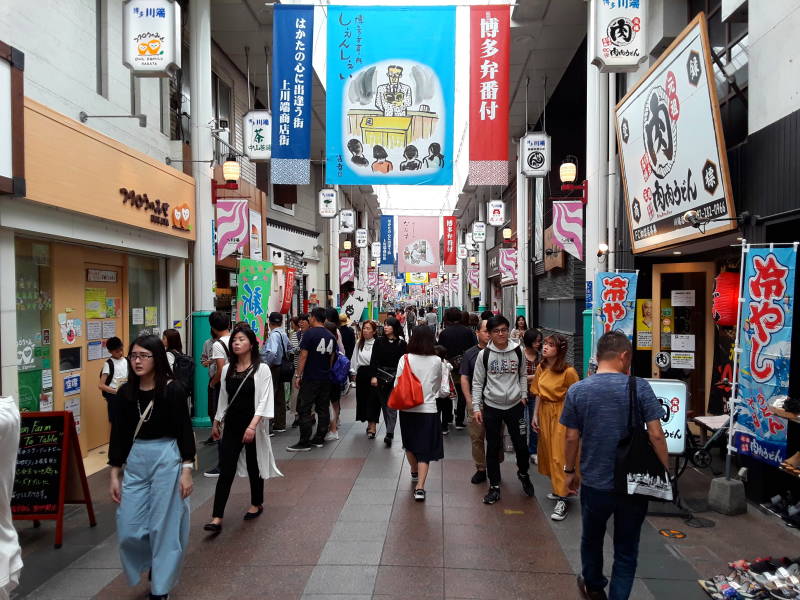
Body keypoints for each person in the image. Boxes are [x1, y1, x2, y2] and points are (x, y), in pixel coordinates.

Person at [561, 331, 669, 600]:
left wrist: (570, 471)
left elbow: (571, 436)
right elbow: (656, 434)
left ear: (597, 357)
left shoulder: (579, 390)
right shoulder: (639, 386)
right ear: (624, 356)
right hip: (632, 483)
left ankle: (594, 585)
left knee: (592, 537)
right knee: (626, 548)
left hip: (595, 481)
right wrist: (664, 471)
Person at [108, 335, 194, 600]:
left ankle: (161, 586)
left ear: (157, 358)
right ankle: (153, 561)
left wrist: (187, 470)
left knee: (163, 525)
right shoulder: (125, 393)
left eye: (144, 356)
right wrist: (114, 473)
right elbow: (119, 435)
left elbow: (184, 431)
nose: (137, 361)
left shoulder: (173, 389)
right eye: (134, 355)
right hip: (136, 459)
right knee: (129, 526)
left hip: (166, 457)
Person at [204, 325, 281, 533]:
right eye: (234, 340)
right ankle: (216, 517)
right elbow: (224, 397)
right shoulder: (228, 368)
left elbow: (265, 399)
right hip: (232, 425)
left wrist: (253, 426)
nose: (236, 343)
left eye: (241, 339)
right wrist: (217, 420)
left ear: (251, 344)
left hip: (253, 425)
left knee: (254, 465)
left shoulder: (261, 369)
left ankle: (257, 503)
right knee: (226, 470)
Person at [471, 316, 534, 505]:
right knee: (493, 447)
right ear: (489, 334)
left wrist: (523, 394)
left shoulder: (518, 350)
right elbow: (477, 382)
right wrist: (476, 406)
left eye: (504, 330)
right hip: (492, 406)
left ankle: (523, 473)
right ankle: (495, 486)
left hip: (515, 405)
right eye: (497, 331)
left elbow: (522, 375)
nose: (501, 334)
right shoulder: (485, 355)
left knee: (521, 446)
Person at [531, 333, 580, 521]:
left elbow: (575, 397)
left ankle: (563, 496)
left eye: (550, 345)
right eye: (545, 344)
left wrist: (573, 420)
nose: (545, 347)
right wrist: (535, 415)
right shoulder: (541, 367)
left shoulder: (568, 372)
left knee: (560, 455)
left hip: (562, 413)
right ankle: (559, 488)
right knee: (547, 451)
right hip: (545, 412)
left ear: (559, 350)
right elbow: (538, 393)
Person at [397, 326, 444, 501]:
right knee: (425, 447)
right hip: (428, 409)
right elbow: (438, 384)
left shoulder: (405, 358)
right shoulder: (436, 360)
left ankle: (414, 470)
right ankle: (420, 487)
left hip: (407, 408)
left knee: (409, 444)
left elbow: (397, 382)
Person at [287, 308, 337, 452]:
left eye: (310, 316)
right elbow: (331, 359)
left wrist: (298, 375)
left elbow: (303, 356)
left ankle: (304, 441)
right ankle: (319, 438)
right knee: (322, 408)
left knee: (304, 408)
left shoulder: (309, 334)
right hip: (325, 377)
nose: (309, 318)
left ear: (314, 318)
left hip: (310, 377)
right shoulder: (331, 336)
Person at [460, 319, 494, 484]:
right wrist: (469, 400)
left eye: (491, 331)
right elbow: (464, 377)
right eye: (486, 331)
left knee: (496, 437)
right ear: (478, 333)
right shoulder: (470, 353)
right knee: (477, 436)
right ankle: (481, 468)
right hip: (477, 401)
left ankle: (495, 465)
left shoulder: (501, 352)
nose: (489, 334)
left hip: (497, 401)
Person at [437, 307, 477, 429]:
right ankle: (460, 420)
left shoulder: (444, 333)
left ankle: (448, 418)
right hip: (465, 367)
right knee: (463, 393)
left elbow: (441, 350)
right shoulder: (468, 332)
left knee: (448, 392)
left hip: (449, 368)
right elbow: (474, 348)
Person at [370, 316, 407, 447]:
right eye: (384, 325)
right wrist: (374, 376)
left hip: (396, 378)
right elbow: (374, 360)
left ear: (394, 327)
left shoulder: (402, 344)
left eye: (388, 325)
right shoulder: (379, 342)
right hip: (381, 377)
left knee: (392, 406)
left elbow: (405, 363)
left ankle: (389, 433)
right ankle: (389, 430)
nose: (385, 327)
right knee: (385, 405)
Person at [203, 312, 231, 478]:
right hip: (238, 384)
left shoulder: (218, 344)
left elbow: (220, 370)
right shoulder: (237, 338)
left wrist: (212, 383)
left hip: (224, 386)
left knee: (220, 419)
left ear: (212, 327)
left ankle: (223, 464)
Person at [261, 312, 290, 434]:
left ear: (270, 323)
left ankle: (270, 426)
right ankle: (280, 423)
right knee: (280, 396)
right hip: (281, 367)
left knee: (270, 395)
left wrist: (267, 364)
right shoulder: (283, 333)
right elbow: (290, 348)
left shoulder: (273, 335)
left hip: (273, 367)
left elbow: (272, 352)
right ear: (281, 322)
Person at [351, 320, 379, 438]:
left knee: (373, 400)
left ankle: (372, 426)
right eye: (364, 328)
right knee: (363, 399)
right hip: (362, 374)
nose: (365, 330)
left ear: (374, 331)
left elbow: (379, 361)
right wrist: (354, 372)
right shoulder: (359, 342)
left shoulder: (378, 343)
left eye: (368, 328)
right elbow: (354, 358)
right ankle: (368, 422)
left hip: (373, 374)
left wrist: (376, 376)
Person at [522, 328, 544, 464]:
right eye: (536, 341)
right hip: (521, 395)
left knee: (535, 424)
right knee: (522, 424)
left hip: (536, 395)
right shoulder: (519, 354)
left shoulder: (541, 357)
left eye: (539, 341)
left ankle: (533, 451)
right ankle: (522, 450)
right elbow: (518, 377)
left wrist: (528, 378)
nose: (538, 344)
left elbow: (545, 376)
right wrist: (535, 376)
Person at [98, 336, 129, 423]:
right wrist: (116, 391)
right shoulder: (108, 364)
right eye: (117, 351)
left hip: (127, 395)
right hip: (114, 398)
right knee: (115, 422)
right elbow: (101, 385)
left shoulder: (127, 360)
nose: (120, 352)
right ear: (109, 351)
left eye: (121, 349)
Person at [434, 345, 455, 435]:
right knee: (446, 410)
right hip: (446, 391)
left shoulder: (435, 364)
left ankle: (437, 427)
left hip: (437, 391)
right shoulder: (447, 364)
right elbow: (451, 368)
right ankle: (444, 427)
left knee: (437, 410)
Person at [288, 317, 302, 427]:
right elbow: (293, 349)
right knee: (295, 394)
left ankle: (307, 416)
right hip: (297, 367)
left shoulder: (305, 334)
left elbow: (294, 349)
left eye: (292, 323)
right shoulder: (293, 335)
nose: (292, 325)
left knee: (299, 393)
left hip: (303, 368)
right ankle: (297, 416)